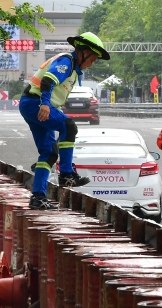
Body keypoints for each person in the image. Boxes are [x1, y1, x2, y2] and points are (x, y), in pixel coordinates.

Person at [19, 32, 109, 210]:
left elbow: (55, 94)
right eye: (93, 58)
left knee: (49, 153)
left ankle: (37, 197)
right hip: (35, 103)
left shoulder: (74, 70)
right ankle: (67, 173)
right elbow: (47, 81)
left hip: (33, 104)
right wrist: (45, 105)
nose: (93, 63)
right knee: (69, 126)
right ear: (84, 52)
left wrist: (52, 107)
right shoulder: (67, 61)